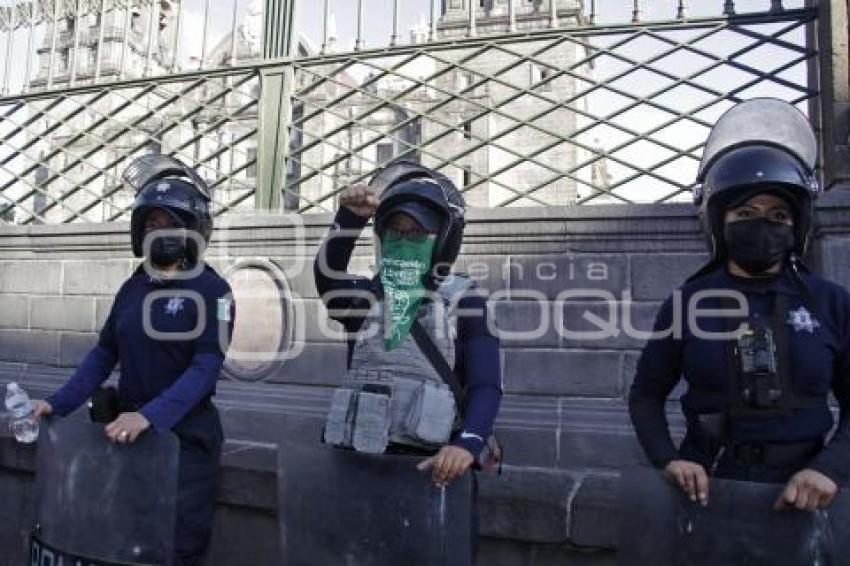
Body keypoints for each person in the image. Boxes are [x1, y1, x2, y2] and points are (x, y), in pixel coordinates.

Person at [629, 98, 849, 512]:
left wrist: (830, 469)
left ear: (796, 224)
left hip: (804, 494)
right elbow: (645, 395)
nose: (762, 223)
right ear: (721, 221)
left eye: (778, 214)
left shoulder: (830, 303)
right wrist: (668, 458)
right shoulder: (688, 303)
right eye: (745, 212)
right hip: (709, 490)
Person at [32, 155, 234, 566]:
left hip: (184, 445)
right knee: (126, 544)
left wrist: (150, 417)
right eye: (151, 224)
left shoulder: (216, 292)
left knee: (174, 549)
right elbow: (104, 353)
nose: (158, 231)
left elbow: (207, 365)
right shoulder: (133, 288)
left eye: (169, 223)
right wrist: (57, 402)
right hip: (129, 440)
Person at [315, 160, 502, 487]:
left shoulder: (464, 301)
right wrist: (348, 219)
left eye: (417, 232)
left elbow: (485, 384)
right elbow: (327, 279)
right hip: (360, 465)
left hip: (432, 471)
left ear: (443, 239)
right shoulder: (365, 298)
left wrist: (467, 443)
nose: (404, 240)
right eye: (396, 231)